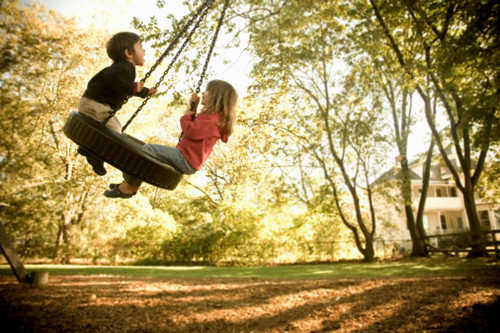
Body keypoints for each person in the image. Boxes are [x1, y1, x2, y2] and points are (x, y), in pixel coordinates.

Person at [104, 79, 238, 199]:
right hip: (187, 159)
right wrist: (194, 108)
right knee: (145, 153)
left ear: (216, 97)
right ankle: (129, 185)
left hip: (185, 159)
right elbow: (197, 129)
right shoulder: (213, 118)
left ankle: (128, 187)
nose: (203, 93)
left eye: (208, 91)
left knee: (147, 150)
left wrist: (186, 115)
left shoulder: (212, 119)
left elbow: (191, 131)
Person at [77, 31, 157, 176]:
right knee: (115, 131)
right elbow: (114, 79)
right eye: (140, 46)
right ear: (128, 53)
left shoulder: (122, 67)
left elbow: (124, 85)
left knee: (105, 129)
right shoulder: (125, 67)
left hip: (90, 103)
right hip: (96, 103)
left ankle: (86, 147)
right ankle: (94, 156)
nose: (144, 50)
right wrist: (133, 87)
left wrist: (145, 92)